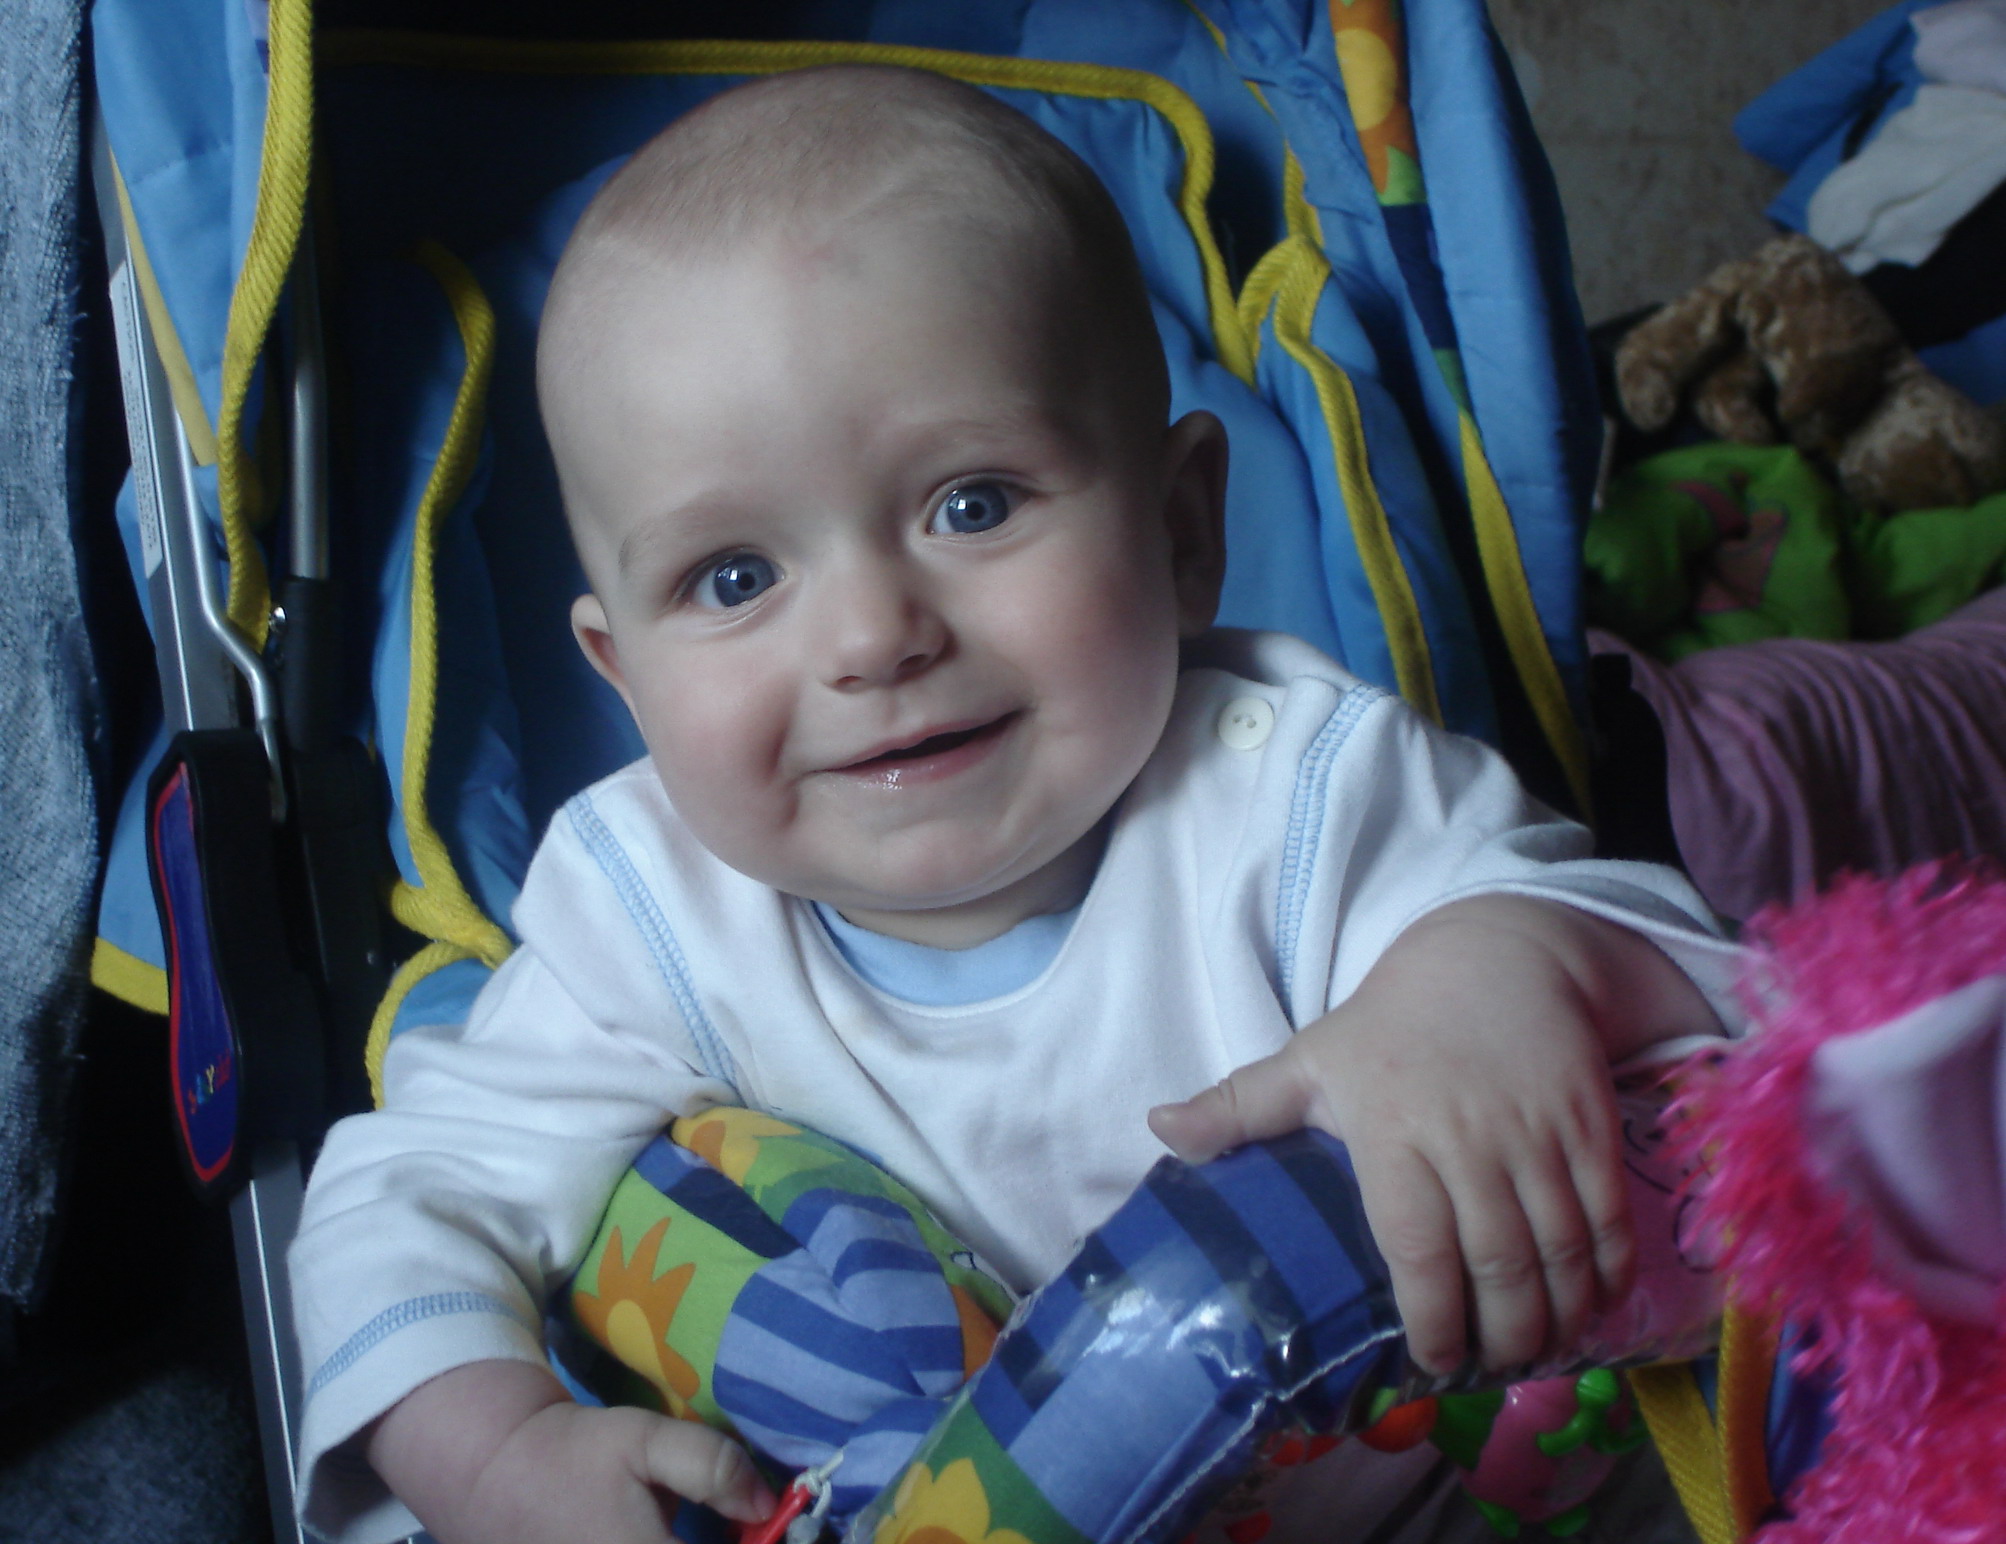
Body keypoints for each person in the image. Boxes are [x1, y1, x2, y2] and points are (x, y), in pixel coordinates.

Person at [290, 65, 1738, 1544]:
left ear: (1181, 531)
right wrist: (495, 1452)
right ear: (625, 677)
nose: (873, 638)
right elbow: (406, 1193)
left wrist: (1489, 970)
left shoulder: (1300, 798)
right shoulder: (649, 914)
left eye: (970, 505)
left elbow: (1722, 989)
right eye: (734, 578)